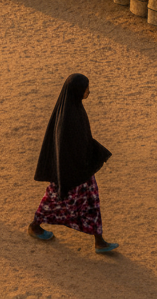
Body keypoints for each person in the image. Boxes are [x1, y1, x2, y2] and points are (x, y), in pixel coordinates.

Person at [29, 73, 116, 252]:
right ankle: (35, 226)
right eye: (86, 89)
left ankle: (99, 241)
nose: (88, 92)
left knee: (92, 203)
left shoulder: (75, 108)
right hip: (68, 173)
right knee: (55, 201)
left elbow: (83, 139)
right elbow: (65, 148)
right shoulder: (67, 118)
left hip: (82, 170)